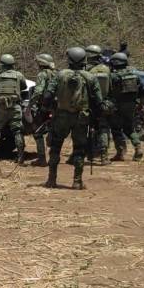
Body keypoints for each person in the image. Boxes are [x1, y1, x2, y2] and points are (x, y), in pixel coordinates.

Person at [40, 47, 105, 190]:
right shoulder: (90, 78)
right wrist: (97, 118)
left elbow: (47, 96)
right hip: (81, 118)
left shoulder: (59, 75)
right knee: (79, 150)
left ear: (69, 60)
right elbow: (98, 101)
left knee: (55, 147)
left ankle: (51, 180)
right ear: (84, 60)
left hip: (61, 117)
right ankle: (77, 181)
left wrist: (46, 109)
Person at [107, 53, 144, 162]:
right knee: (129, 128)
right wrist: (141, 104)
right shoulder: (134, 75)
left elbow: (108, 92)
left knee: (116, 129)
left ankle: (120, 153)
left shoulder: (113, 76)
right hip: (131, 105)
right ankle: (138, 148)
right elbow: (142, 91)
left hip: (117, 105)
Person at [84, 44, 112, 165]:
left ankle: (89, 154)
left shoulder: (86, 70)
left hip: (90, 104)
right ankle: (104, 157)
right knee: (103, 129)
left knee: (89, 129)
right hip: (103, 103)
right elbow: (110, 87)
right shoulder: (106, 69)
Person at [28, 53, 56, 166]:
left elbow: (39, 91)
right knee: (54, 131)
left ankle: (42, 159)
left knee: (38, 132)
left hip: (44, 108)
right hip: (57, 108)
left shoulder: (42, 75)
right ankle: (54, 158)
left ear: (41, 63)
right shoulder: (57, 74)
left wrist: (31, 104)